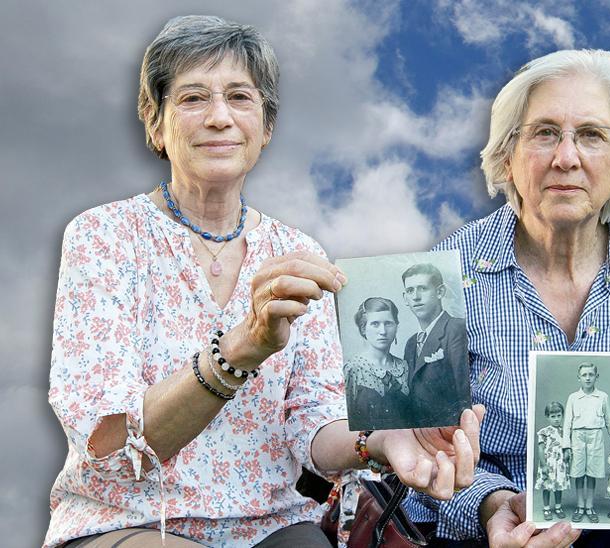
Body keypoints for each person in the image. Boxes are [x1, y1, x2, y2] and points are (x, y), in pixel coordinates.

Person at [45, 15, 481, 548]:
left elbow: (313, 429)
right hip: (129, 523)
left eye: (239, 97)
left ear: (266, 127)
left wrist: (383, 437)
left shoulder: (300, 256)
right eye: (192, 98)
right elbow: (111, 445)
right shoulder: (104, 237)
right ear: (154, 123)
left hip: (273, 530)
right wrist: (241, 350)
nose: (219, 118)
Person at [401, 48, 610, 547]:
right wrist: (496, 506)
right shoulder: (443, 272)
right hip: (479, 522)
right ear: (508, 154)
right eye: (544, 133)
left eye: (591, 135)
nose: (566, 157)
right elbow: (420, 455)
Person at [400, 262, 470, 425]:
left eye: (423, 288)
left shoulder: (456, 328)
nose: (416, 297)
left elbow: (463, 393)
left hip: (449, 433)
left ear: (440, 292)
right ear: (405, 298)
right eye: (410, 291)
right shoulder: (411, 343)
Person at [562, 362, 610, 523]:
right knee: (579, 472)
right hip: (577, 437)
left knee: (592, 472)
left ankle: (589, 506)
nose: (587, 378)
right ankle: (580, 506)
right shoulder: (573, 397)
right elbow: (567, 423)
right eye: (584, 375)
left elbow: (609, 418)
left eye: (591, 374)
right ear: (578, 378)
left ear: (596, 377)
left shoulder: (602, 397)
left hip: (596, 436)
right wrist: (566, 446)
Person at [346, 297, 411, 430]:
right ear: (363, 328)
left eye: (388, 323)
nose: (383, 331)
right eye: (375, 324)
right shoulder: (353, 369)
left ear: (396, 327)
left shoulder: (404, 367)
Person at [533, 402, 569, 521]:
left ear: (562, 415)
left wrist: (568, 455)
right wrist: (543, 465)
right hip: (548, 463)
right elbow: (541, 449)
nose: (556, 419)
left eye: (559, 415)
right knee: (547, 486)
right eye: (553, 416)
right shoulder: (544, 432)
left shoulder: (564, 431)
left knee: (558, 486)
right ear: (547, 417)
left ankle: (558, 507)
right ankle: (546, 508)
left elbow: (566, 446)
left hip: (560, 464)